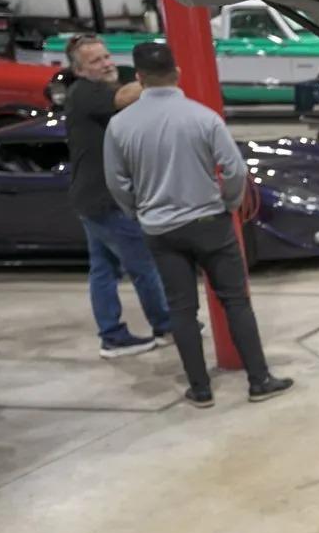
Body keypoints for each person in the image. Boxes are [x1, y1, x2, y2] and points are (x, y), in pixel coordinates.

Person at [105, 41, 292, 408]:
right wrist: (230, 203)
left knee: (181, 309)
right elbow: (235, 169)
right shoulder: (203, 117)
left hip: (160, 228)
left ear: (139, 78)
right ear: (177, 73)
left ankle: (201, 389)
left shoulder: (119, 126)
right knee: (235, 301)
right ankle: (259, 380)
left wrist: (138, 212)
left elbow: (116, 182)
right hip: (210, 221)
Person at [65, 34, 174, 358]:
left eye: (107, 56)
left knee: (103, 269)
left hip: (90, 199)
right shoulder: (85, 93)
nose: (107, 63)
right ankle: (166, 325)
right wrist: (161, 78)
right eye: (96, 61)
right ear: (81, 71)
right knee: (144, 265)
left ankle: (111, 335)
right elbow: (125, 98)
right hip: (106, 200)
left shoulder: (99, 87)